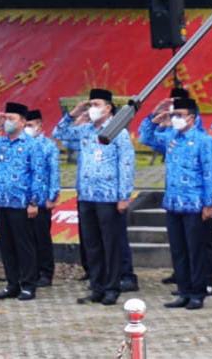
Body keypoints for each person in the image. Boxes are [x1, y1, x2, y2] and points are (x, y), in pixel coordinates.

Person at [53, 88, 135, 306]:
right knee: (92, 244)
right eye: (90, 105)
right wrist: (73, 114)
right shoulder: (86, 130)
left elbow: (126, 164)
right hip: (86, 195)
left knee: (111, 244)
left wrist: (123, 196)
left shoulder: (118, 131)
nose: (92, 109)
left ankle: (112, 287)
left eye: (96, 104)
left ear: (108, 108)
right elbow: (59, 133)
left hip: (109, 196)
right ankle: (96, 287)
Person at [140, 98, 212, 310]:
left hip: (195, 204)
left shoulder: (204, 141)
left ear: (191, 118)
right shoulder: (171, 138)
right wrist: (154, 117)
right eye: (173, 115)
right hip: (174, 203)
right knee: (179, 250)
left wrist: (209, 202)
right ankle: (183, 291)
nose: (175, 119)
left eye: (179, 115)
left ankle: (198, 292)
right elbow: (146, 137)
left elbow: (211, 174)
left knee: (196, 250)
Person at [0, 102, 44, 301]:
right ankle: (12, 284)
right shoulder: (0, 142)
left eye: (12, 119)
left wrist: (34, 201)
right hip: (2, 201)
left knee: (24, 246)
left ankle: (29, 285)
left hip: (22, 203)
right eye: (6, 118)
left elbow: (38, 175)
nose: (8, 122)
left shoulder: (32, 144)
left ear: (22, 122)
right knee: (7, 246)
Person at [25, 109, 60, 287]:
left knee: (41, 237)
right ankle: (27, 271)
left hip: (42, 198)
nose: (27, 129)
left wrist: (53, 195)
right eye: (24, 125)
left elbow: (54, 172)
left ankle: (45, 273)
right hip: (22, 198)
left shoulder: (48, 146)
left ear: (39, 125)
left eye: (30, 125)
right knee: (25, 238)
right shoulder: (20, 144)